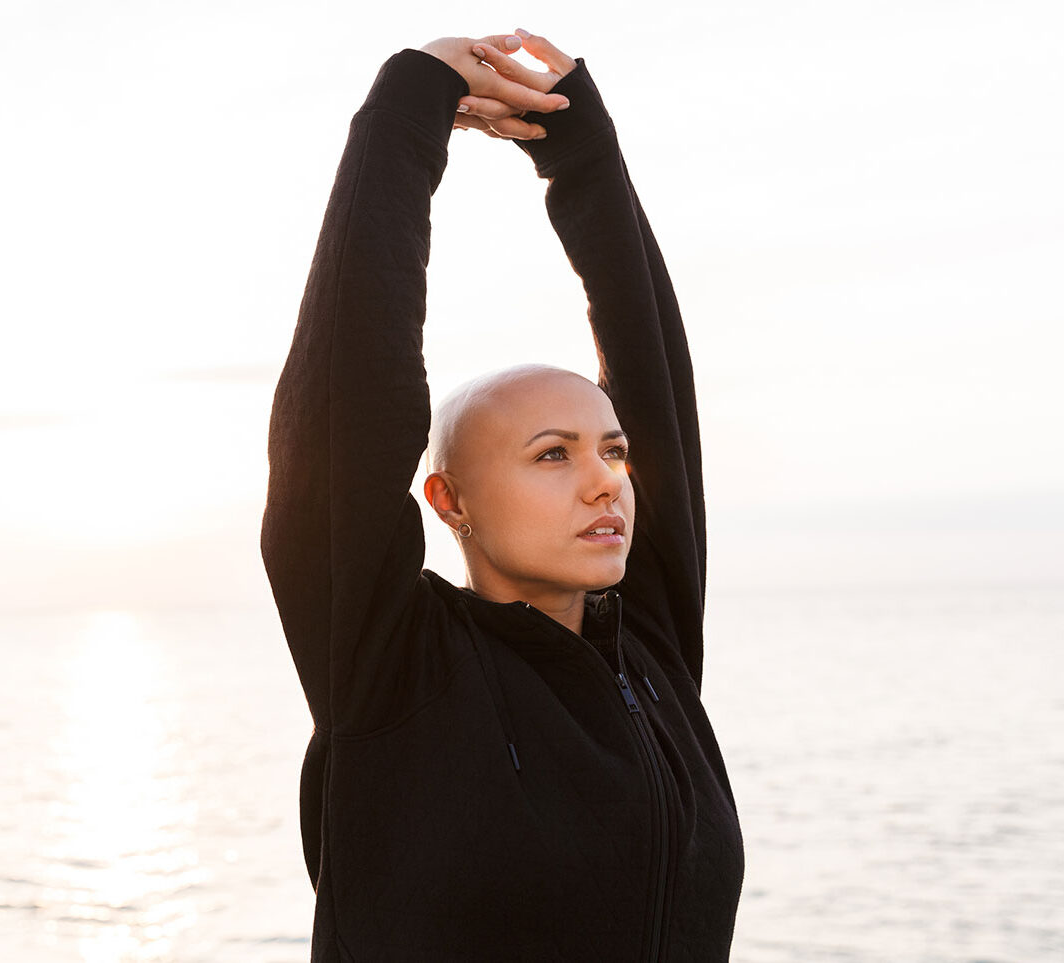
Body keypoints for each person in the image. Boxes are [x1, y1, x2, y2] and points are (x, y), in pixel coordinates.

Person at [261, 29, 744, 961]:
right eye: (551, 455)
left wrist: (582, 158)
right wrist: (410, 112)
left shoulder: (649, 654)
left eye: (610, 450)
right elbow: (344, 412)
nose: (606, 477)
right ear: (449, 501)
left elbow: (655, 381)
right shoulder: (389, 668)